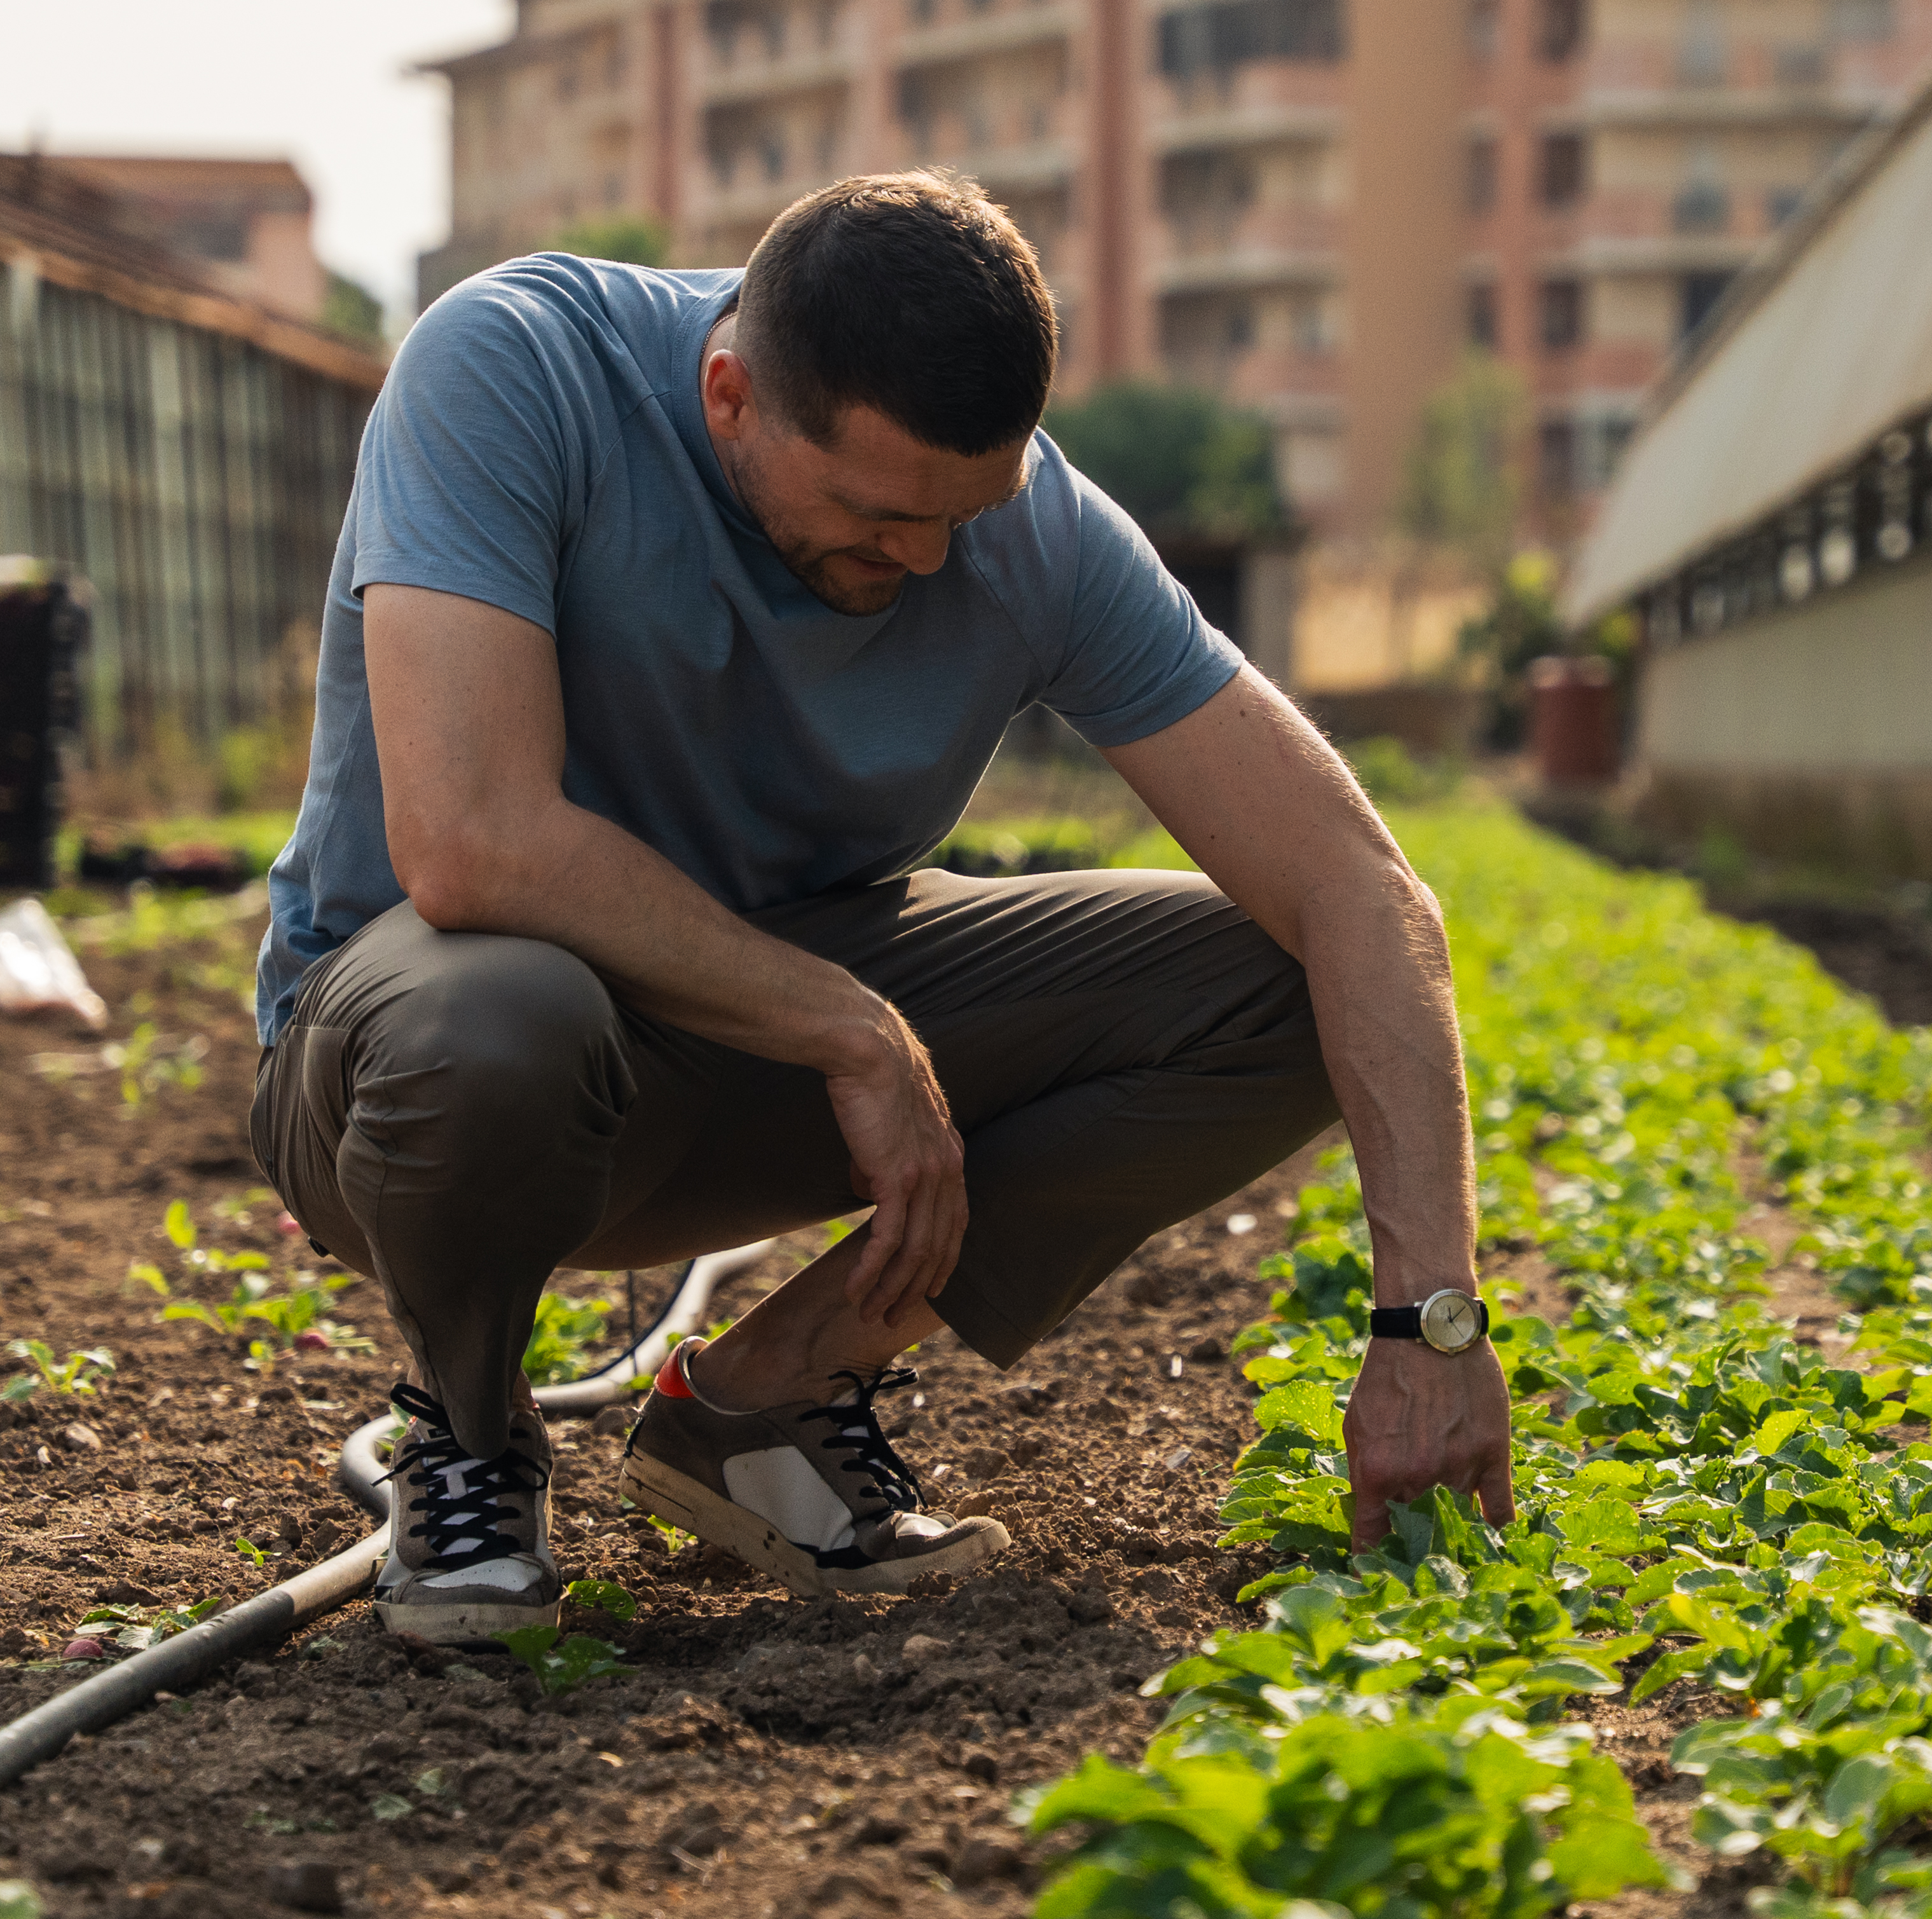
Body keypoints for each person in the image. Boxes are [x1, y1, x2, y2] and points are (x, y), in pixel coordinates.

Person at [249, 173, 1512, 1643]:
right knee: (501, 1011)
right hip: (416, 1074)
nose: (921, 559)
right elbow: (474, 842)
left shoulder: (1022, 527)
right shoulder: (517, 368)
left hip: (734, 1073)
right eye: (870, 510)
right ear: (728, 393)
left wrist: (1430, 1314)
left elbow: (1359, 884)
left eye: (961, 514)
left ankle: (762, 1402)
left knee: (1284, 979)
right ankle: (468, 1432)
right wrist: (850, 1029)